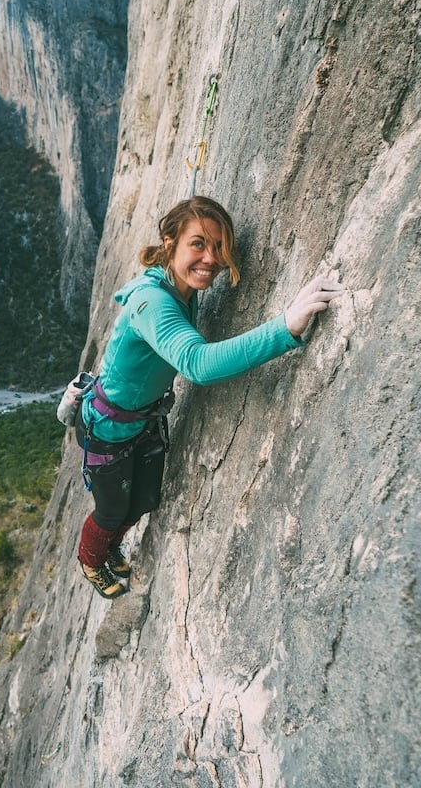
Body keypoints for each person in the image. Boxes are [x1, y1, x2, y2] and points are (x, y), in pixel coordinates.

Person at [76, 195, 343, 599]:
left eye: (218, 247)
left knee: (142, 501)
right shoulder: (152, 302)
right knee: (112, 509)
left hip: (143, 421)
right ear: (171, 244)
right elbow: (196, 364)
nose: (211, 258)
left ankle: (111, 544)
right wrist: (285, 327)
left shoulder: (182, 288)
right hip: (108, 429)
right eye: (198, 243)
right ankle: (92, 559)